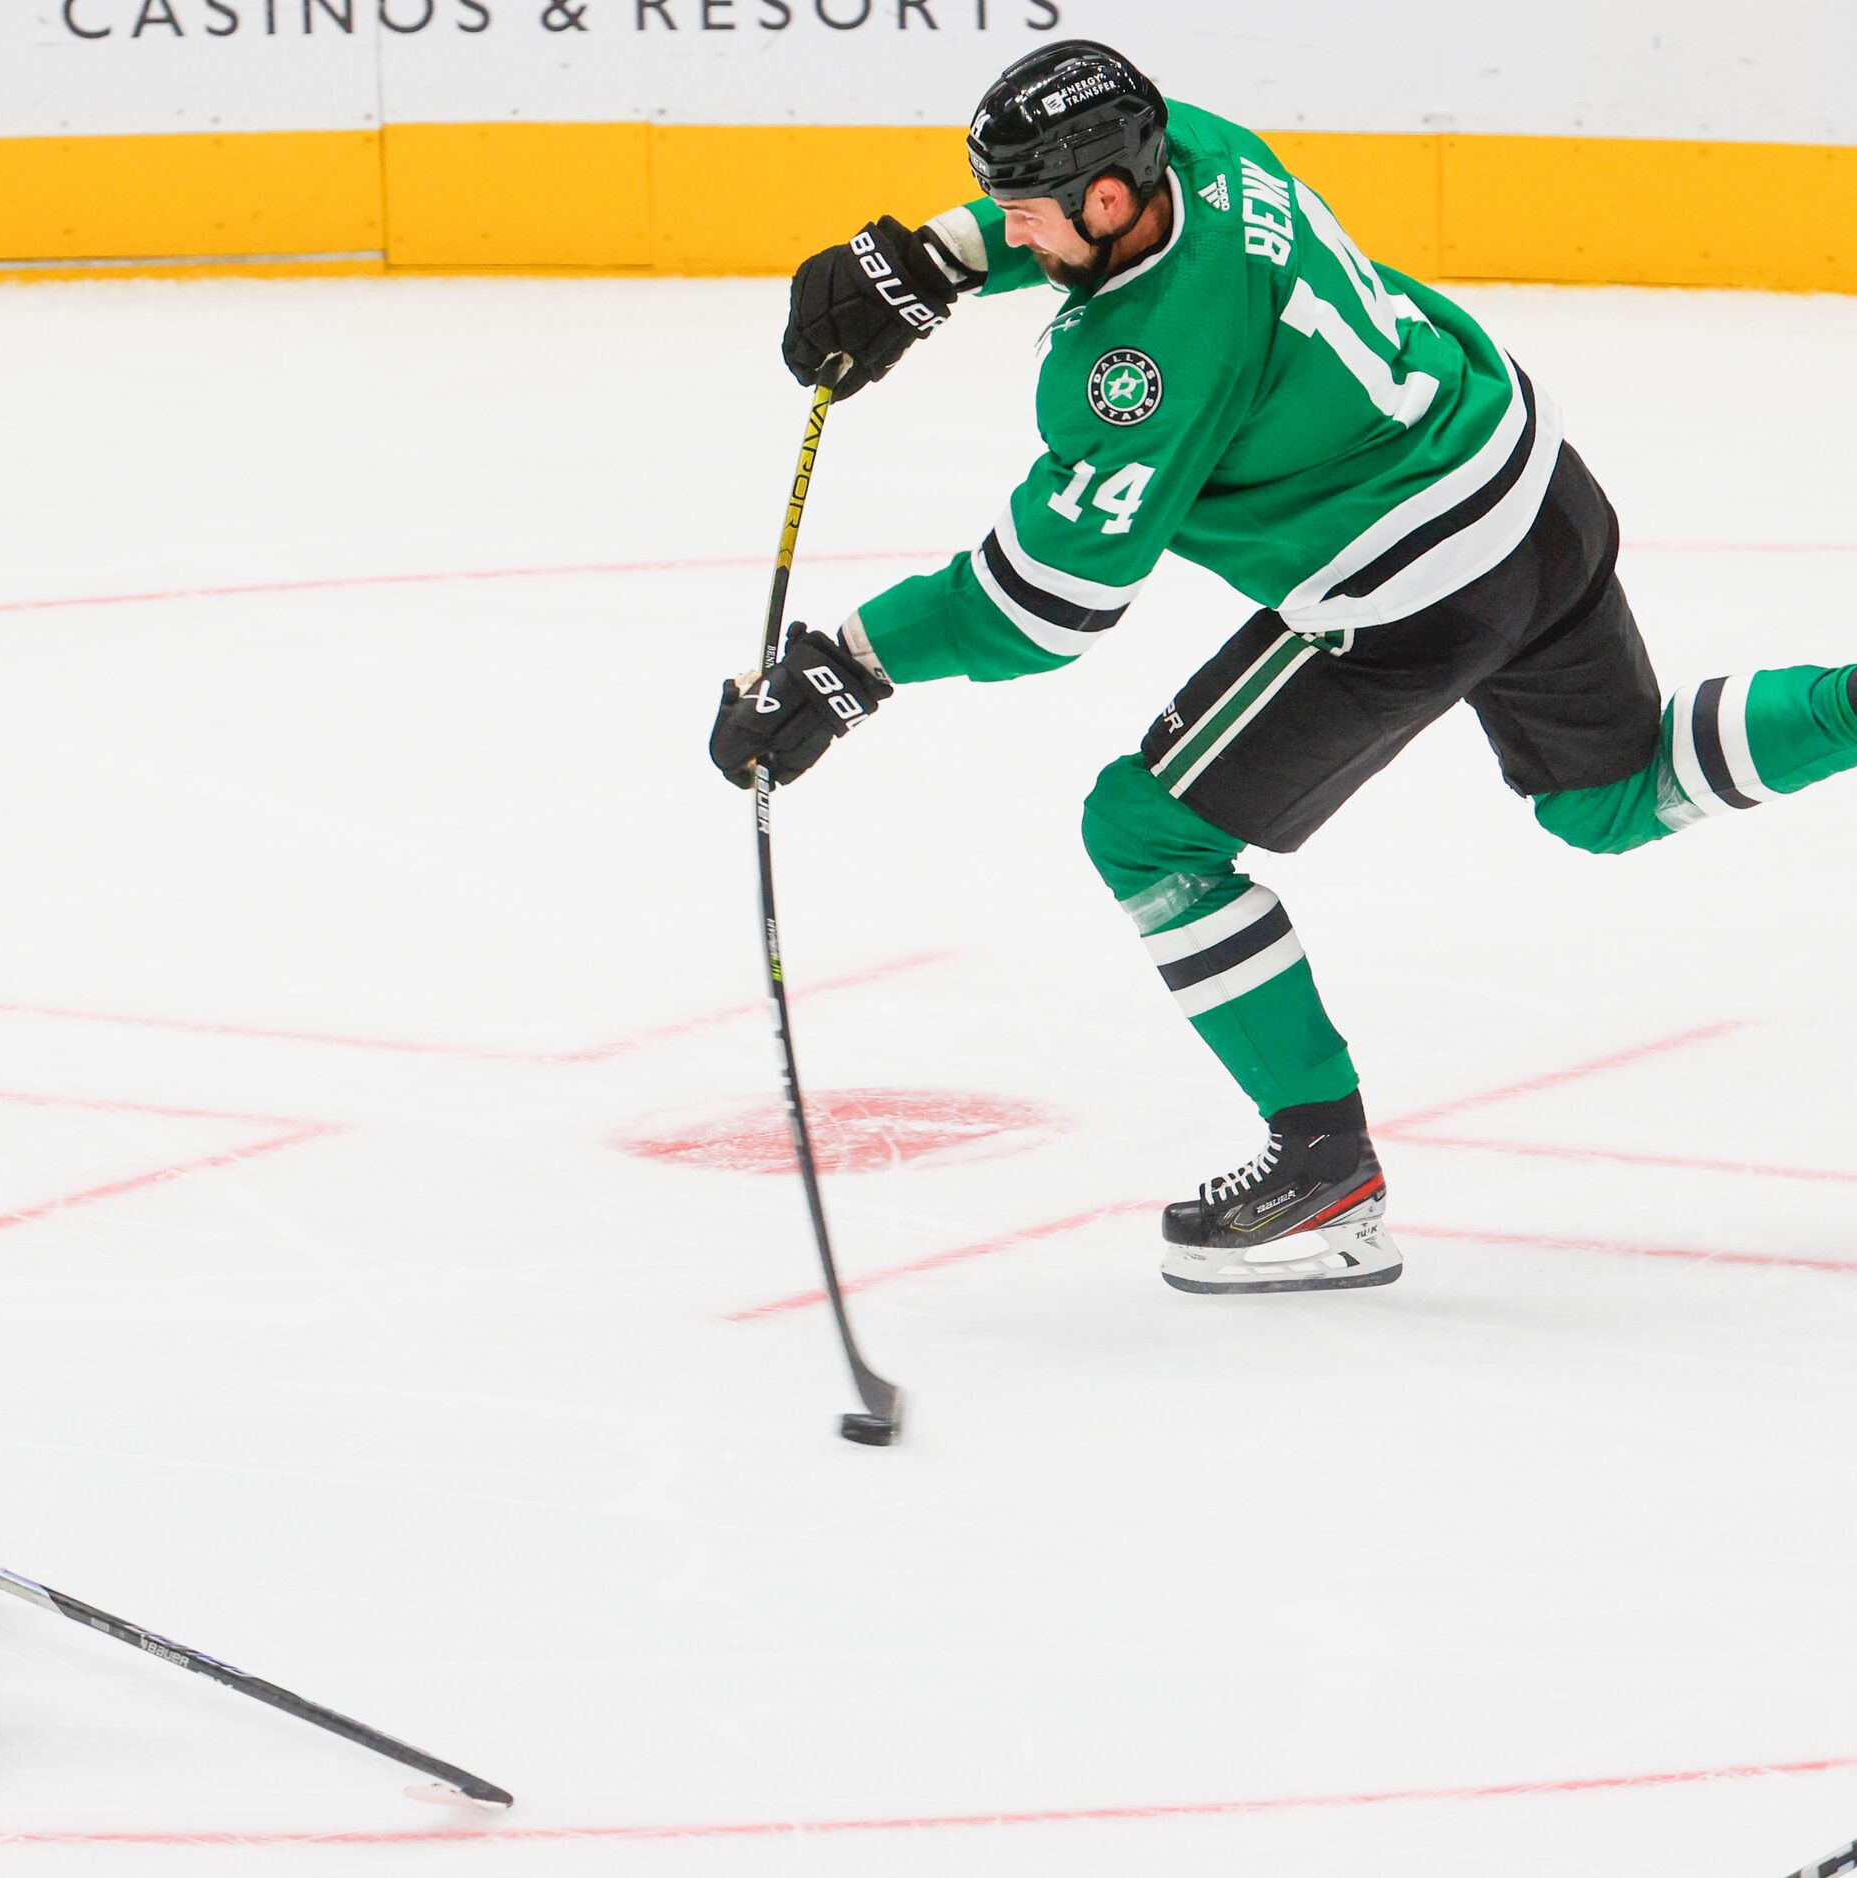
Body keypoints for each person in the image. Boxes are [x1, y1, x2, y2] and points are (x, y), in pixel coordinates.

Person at [710, 40, 1857, 1295]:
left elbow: (1046, 602)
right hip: (1533, 490)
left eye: (1027, 217)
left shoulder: (1139, 367)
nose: (1015, 236)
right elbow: (1042, 227)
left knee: (1145, 835)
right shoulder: (1192, 142)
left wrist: (843, 668)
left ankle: (1325, 1176)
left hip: (1416, 593)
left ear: (1106, 199)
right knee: (1609, 796)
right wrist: (929, 262)